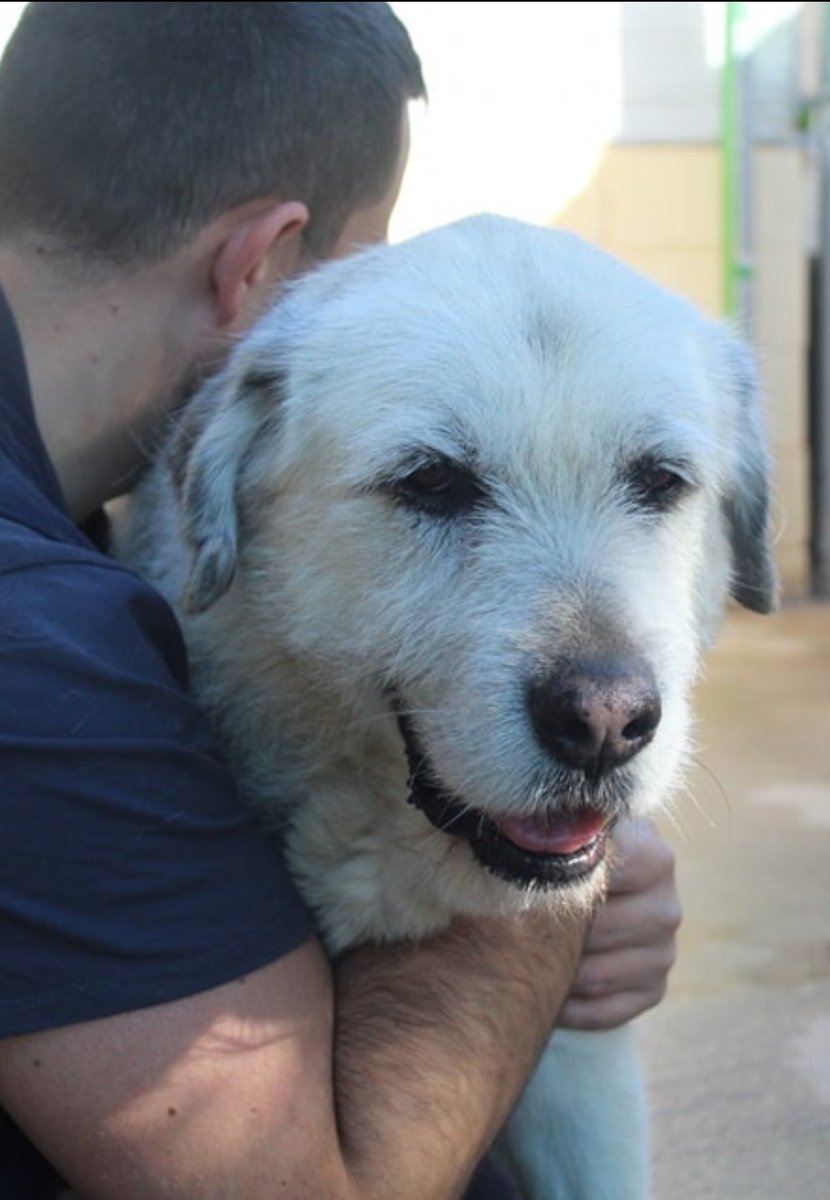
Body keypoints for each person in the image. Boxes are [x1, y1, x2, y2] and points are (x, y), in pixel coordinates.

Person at [0, 4, 681, 1197]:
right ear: (259, 263)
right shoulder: (38, 651)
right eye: (372, 256)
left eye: (655, 483)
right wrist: (541, 892)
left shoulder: (69, 515)